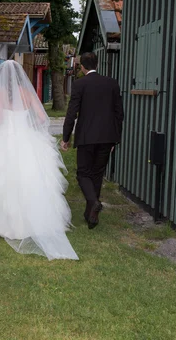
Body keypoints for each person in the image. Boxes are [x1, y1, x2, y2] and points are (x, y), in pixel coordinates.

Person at [0, 60, 78, 260]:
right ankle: (32, 221)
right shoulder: (27, 93)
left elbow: (0, 118)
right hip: (25, 138)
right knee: (31, 178)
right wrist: (26, 126)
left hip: (3, 137)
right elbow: (40, 117)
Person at [60, 52, 124, 229]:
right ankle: (91, 216)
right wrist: (115, 140)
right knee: (97, 174)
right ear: (97, 63)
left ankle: (93, 203)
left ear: (82, 66)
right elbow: (119, 114)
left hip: (86, 137)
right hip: (107, 137)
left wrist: (66, 137)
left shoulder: (80, 84)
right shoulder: (112, 83)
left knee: (83, 173)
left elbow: (72, 113)